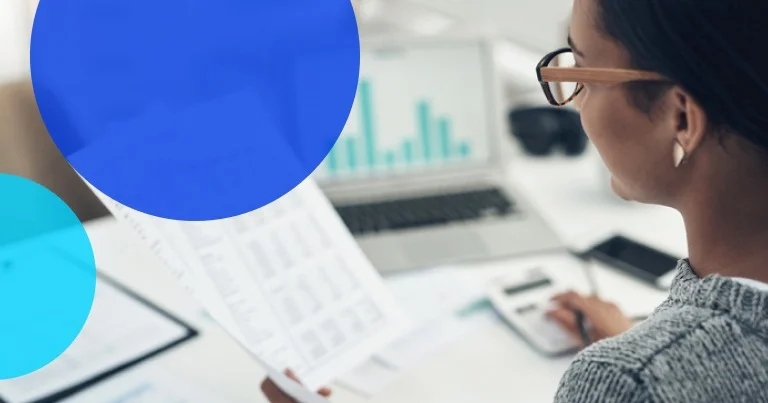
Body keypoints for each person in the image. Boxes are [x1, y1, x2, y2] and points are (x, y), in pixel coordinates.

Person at [261, 0, 768, 401]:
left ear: (681, 118)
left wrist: (645, 366)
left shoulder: (629, 382)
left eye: (583, 71)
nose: (578, 103)